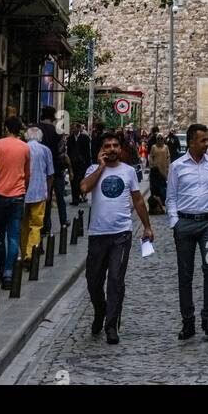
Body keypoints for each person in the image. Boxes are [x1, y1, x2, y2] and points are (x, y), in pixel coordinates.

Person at [82, 130, 153, 344]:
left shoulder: (129, 171)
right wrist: (101, 167)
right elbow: (84, 188)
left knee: (115, 279)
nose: (112, 149)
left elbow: (138, 200)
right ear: (101, 150)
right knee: (93, 281)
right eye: (107, 146)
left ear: (120, 149)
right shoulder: (93, 170)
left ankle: (112, 325)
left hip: (121, 234)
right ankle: (100, 310)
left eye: (115, 145)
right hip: (97, 233)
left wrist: (147, 227)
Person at [166, 123, 208, 341]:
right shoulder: (177, 166)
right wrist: (175, 223)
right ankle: (188, 321)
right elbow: (171, 197)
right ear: (192, 141)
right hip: (184, 225)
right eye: (204, 140)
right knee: (185, 275)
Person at [0, 115, 30, 289]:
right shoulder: (25, 148)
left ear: (6, 128)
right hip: (18, 196)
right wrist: (24, 189)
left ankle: (3, 268)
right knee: (13, 236)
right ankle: (9, 272)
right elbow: (28, 173)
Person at [21, 126, 54, 263]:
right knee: (36, 225)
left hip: (22, 192)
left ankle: (24, 253)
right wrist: (49, 191)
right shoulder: (45, 150)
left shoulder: (22, 148)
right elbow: (50, 174)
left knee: (23, 225)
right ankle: (31, 253)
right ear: (40, 137)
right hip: (39, 192)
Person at [38, 106, 68, 234]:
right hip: (56, 170)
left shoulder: (35, 130)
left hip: (39, 170)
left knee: (43, 199)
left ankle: (44, 225)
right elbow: (62, 153)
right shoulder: (58, 132)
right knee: (59, 197)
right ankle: (63, 222)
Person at [68, 122, 92, 207]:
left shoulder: (85, 138)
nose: (73, 130)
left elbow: (87, 151)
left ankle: (81, 196)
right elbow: (68, 151)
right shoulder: (70, 139)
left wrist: (88, 163)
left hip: (82, 163)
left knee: (80, 180)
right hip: (73, 163)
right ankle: (75, 199)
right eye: (72, 128)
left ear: (78, 129)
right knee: (73, 181)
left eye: (74, 128)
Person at [148, 134, 170, 206]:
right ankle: (155, 202)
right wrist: (152, 165)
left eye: (161, 138)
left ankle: (163, 200)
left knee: (163, 186)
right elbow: (150, 156)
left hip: (163, 169)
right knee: (154, 186)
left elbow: (168, 157)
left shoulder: (166, 147)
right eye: (158, 138)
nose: (160, 140)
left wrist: (168, 167)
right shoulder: (154, 147)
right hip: (155, 170)